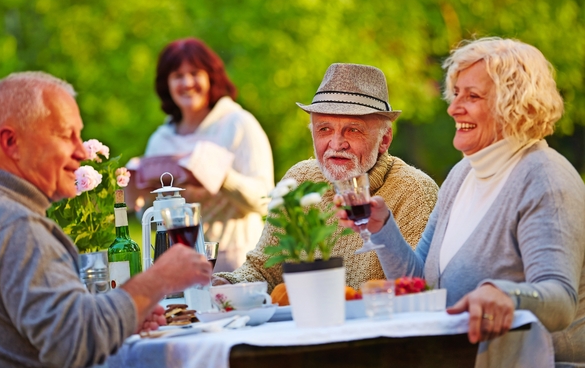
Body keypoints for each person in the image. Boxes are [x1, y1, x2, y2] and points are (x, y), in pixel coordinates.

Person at [342, 38, 585, 364]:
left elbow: (560, 300)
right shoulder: (462, 174)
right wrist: (381, 228)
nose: (454, 107)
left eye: (472, 96)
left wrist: (505, 295)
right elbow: (424, 286)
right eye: (456, 93)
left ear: (515, 104)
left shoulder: (544, 177)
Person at [0, 72, 212, 367]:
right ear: (11, 141)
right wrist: (158, 279)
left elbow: (36, 329)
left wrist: (122, 315)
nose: (81, 152)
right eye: (67, 135)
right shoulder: (17, 227)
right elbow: (75, 342)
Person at [213, 63, 439, 291]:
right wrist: (227, 283)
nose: (336, 144)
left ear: (385, 139)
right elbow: (264, 269)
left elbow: (418, 287)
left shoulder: (415, 191)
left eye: (353, 130)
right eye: (324, 129)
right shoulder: (300, 178)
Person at [135, 37, 274, 272]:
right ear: (166, 84)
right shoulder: (160, 140)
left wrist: (221, 177)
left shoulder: (238, 124)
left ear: (211, 77)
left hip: (239, 263)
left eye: (195, 73)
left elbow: (266, 201)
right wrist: (141, 196)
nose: (187, 82)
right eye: (178, 75)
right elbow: (147, 220)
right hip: (181, 267)